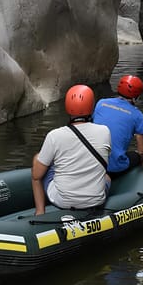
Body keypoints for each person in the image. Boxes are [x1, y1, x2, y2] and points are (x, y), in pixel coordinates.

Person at [31, 84, 111, 215]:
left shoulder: (55, 135)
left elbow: (36, 175)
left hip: (63, 201)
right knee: (107, 177)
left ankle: (40, 211)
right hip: (96, 200)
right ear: (92, 106)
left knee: (37, 163)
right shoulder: (105, 131)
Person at [92, 74, 143, 177]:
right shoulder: (137, 115)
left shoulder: (101, 103)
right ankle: (134, 179)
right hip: (113, 168)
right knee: (139, 156)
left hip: (93, 163)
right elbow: (141, 150)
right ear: (137, 96)